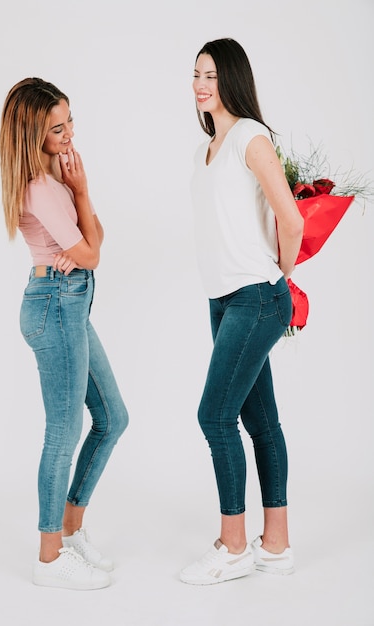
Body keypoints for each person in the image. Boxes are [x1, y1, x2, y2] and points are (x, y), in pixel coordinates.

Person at [180, 38, 304, 585]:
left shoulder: (250, 138)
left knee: (214, 415)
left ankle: (234, 547)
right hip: (226, 300)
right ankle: (274, 545)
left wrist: (280, 276)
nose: (201, 84)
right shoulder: (208, 146)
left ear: (230, 77)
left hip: (256, 296)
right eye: (195, 75)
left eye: (210, 74)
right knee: (258, 421)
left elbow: (292, 219)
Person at [0, 78, 129, 590]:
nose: (69, 133)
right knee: (63, 432)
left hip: (70, 304)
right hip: (55, 304)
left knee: (112, 417)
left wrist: (81, 190)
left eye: (70, 121)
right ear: (32, 134)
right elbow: (93, 253)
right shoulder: (37, 186)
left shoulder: (57, 180)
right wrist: (78, 201)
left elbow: (97, 240)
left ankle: (70, 532)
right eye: (57, 128)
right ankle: (49, 558)